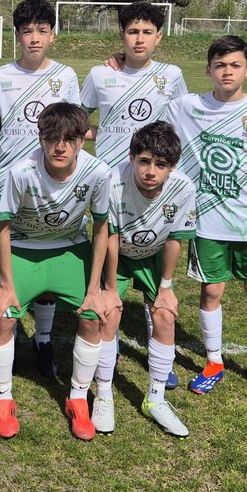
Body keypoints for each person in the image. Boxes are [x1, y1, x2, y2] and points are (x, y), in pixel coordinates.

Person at [162, 35, 247, 402]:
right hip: (205, 219)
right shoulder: (186, 106)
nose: (227, 72)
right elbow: (144, 100)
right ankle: (214, 361)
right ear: (208, 70)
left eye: (235, 65)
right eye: (220, 65)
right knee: (211, 291)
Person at [0, 103, 115, 441]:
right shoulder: (20, 172)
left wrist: (95, 288)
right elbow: (1, 226)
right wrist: (6, 285)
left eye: (70, 138)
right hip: (24, 249)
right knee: (3, 316)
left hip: (70, 249)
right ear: (40, 137)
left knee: (93, 316)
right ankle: (3, 398)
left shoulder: (98, 172)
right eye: (51, 138)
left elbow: (102, 227)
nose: (60, 147)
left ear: (83, 140)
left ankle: (77, 398)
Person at [81, 1, 187, 388]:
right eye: (132, 31)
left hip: (153, 183)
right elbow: (81, 121)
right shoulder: (99, 74)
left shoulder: (171, 76)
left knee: (152, 258)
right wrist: (107, 136)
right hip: (109, 181)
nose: (138, 39)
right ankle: (105, 340)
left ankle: (157, 341)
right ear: (121, 35)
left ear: (159, 37)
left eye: (146, 32)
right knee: (107, 253)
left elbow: (180, 125)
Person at [0, 0, 80, 377]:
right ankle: (8, 330)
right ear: (17, 35)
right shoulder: (0, 76)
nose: (34, 38)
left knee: (49, 254)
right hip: (13, 185)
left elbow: (71, 129)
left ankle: (45, 338)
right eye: (27, 31)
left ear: (53, 35)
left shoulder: (65, 76)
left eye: (42, 31)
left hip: (52, 183)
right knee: (11, 255)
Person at [102, 122, 197, 438]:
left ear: (172, 166)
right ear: (131, 158)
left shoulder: (183, 188)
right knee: (108, 312)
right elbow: (110, 237)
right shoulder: (113, 181)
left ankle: (155, 400)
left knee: (165, 315)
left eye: (160, 164)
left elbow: (175, 240)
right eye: (144, 161)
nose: (150, 171)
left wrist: (166, 287)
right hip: (117, 253)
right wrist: (112, 289)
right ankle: (103, 395)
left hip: (155, 254)